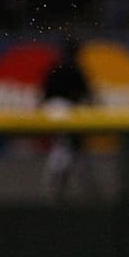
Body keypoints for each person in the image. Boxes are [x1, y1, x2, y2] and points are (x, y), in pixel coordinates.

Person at [40, 38, 96, 200]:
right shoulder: (75, 68)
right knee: (68, 146)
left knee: (66, 146)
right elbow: (87, 96)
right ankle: (61, 183)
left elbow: (43, 94)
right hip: (65, 112)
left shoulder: (55, 67)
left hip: (52, 111)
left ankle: (60, 184)